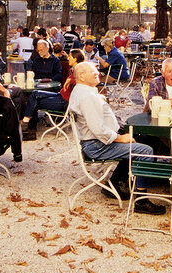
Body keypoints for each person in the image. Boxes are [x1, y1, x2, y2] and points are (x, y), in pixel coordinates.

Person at [67, 62, 165, 215]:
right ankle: (141, 201)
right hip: (96, 146)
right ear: (81, 76)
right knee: (145, 150)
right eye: (93, 72)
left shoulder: (85, 91)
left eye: (97, 70)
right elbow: (98, 129)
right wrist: (120, 138)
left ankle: (115, 183)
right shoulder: (87, 97)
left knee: (145, 138)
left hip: (96, 142)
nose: (97, 73)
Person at [21, 49, 85, 135]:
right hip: (60, 96)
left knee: (34, 102)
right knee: (34, 94)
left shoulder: (79, 72)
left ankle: (29, 127)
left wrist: (73, 82)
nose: (68, 58)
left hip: (64, 102)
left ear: (75, 59)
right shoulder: (74, 69)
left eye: (70, 56)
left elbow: (81, 84)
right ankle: (27, 120)